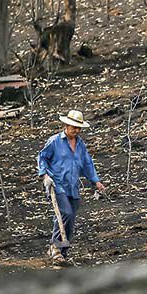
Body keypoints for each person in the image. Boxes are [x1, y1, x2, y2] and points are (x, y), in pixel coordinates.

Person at [38, 110, 105, 265]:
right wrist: (45, 176)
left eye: (78, 127)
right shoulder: (54, 141)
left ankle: (62, 252)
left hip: (72, 186)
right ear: (66, 125)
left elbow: (87, 164)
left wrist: (96, 181)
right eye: (74, 127)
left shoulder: (80, 145)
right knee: (65, 213)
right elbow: (42, 157)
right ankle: (55, 247)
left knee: (71, 219)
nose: (76, 130)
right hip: (56, 184)